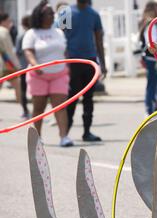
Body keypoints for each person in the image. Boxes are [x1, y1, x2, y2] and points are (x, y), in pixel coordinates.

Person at [23, 1, 73, 147]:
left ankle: (64, 137)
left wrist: (67, 64)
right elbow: (28, 51)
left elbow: (64, 51)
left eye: (53, 13)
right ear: (40, 15)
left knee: (60, 107)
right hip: (38, 75)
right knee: (39, 108)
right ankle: (37, 138)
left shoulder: (58, 32)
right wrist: (35, 64)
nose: (53, 15)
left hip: (59, 74)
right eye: (50, 13)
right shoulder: (31, 34)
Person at [63, 0, 106, 142]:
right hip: (72, 62)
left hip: (90, 61)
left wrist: (103, 63)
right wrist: (63, 62)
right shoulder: (66, 12)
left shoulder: (94, 14)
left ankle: (87, 132)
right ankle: (65, 133)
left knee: (88, 98)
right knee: (72, 98)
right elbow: (60, 38)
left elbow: (99, 39)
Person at [140, 1, 157, 114]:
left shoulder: (149, 22)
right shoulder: (152, 24)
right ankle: (149, 110)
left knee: (153, 84)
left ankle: (151, 108)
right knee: (152, 85)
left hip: (152, 58)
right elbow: (151, 42)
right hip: (153, 58)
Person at [0, 12, 22, 111]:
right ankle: (24, 110)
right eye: (9, 21)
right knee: (18, 86)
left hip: (4, 64)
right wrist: (14, 65)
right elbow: (6, 51)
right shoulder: (4, 31)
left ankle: (24, 110)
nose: (10, 23)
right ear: (3, 21)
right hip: (6, 64)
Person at [15, 15, 32, 120]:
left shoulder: (21, 36)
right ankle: (28, 111)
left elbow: (17, 51)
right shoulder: (33, 35)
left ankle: (25, 110)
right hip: (32, 67)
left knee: (23, 90)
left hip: (24, 67)